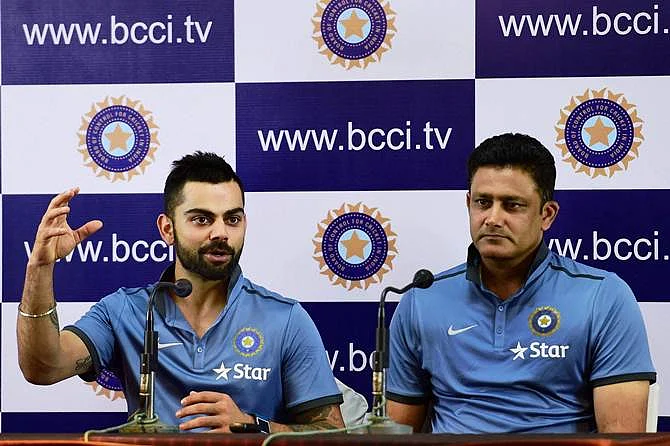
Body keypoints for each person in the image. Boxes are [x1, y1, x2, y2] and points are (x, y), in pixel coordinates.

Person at [17, 151, 344, 433]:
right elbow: (43, 368)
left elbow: (331, 434)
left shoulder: (285, 319)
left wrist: (252, 426)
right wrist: (40, 268)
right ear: (167, 229)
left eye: (232, 219)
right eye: (202, 219)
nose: (220, 233)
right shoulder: (126, 310)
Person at [386, 133, 656, 433]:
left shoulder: (603, 297)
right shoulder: (422, 299)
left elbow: (621, 439)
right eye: (483, 202)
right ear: (468, 204)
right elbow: (397, 436)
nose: (492, 218)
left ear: (547, 215)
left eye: (512, 205)